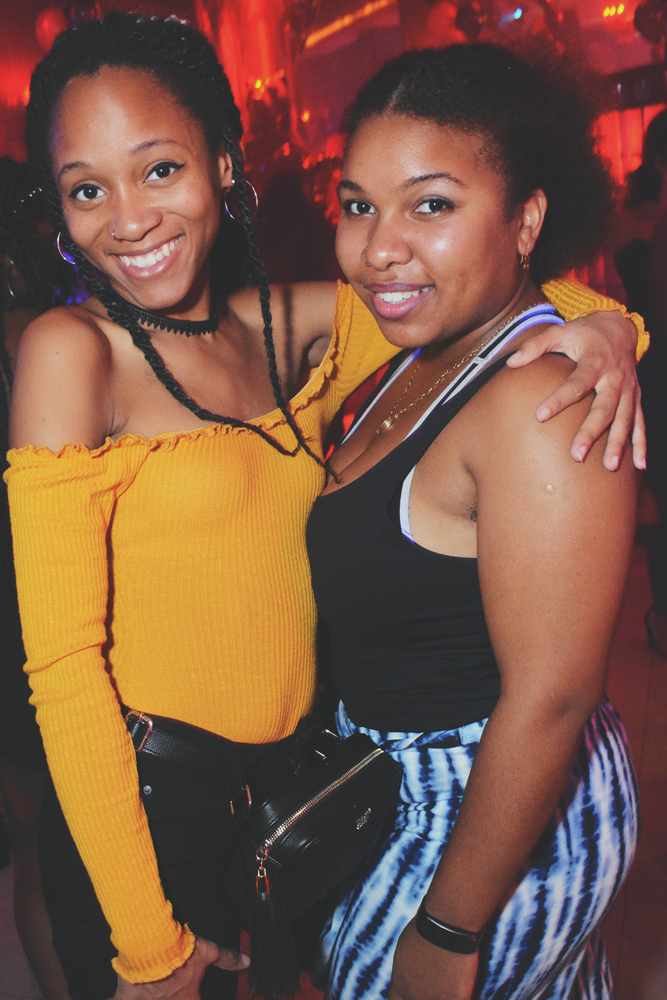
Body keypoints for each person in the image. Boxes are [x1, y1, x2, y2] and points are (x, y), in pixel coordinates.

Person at [5, 13, 645, 1000]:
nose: (128, 219)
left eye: (159, 169)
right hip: (147, 811)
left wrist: (606, 327)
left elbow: (478, 293)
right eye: (87, 188)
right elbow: (62, 670)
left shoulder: (289, 329)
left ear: (224, 164)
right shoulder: (73, 353)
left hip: (287, 795)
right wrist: (146, 943)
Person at [305, 45, 641, 1000]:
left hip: (487, 818)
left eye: (430, 206)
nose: (378, 248)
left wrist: (449, 930)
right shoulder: (408, 352)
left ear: (524, 219)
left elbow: (553, 699)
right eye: (358, 205)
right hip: (401, 785)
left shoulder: (542, 402)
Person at [0, 156, 71, 1000]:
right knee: (64, 844)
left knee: (37, 845)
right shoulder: (48, 340)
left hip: (25, 615)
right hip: (38, 618)